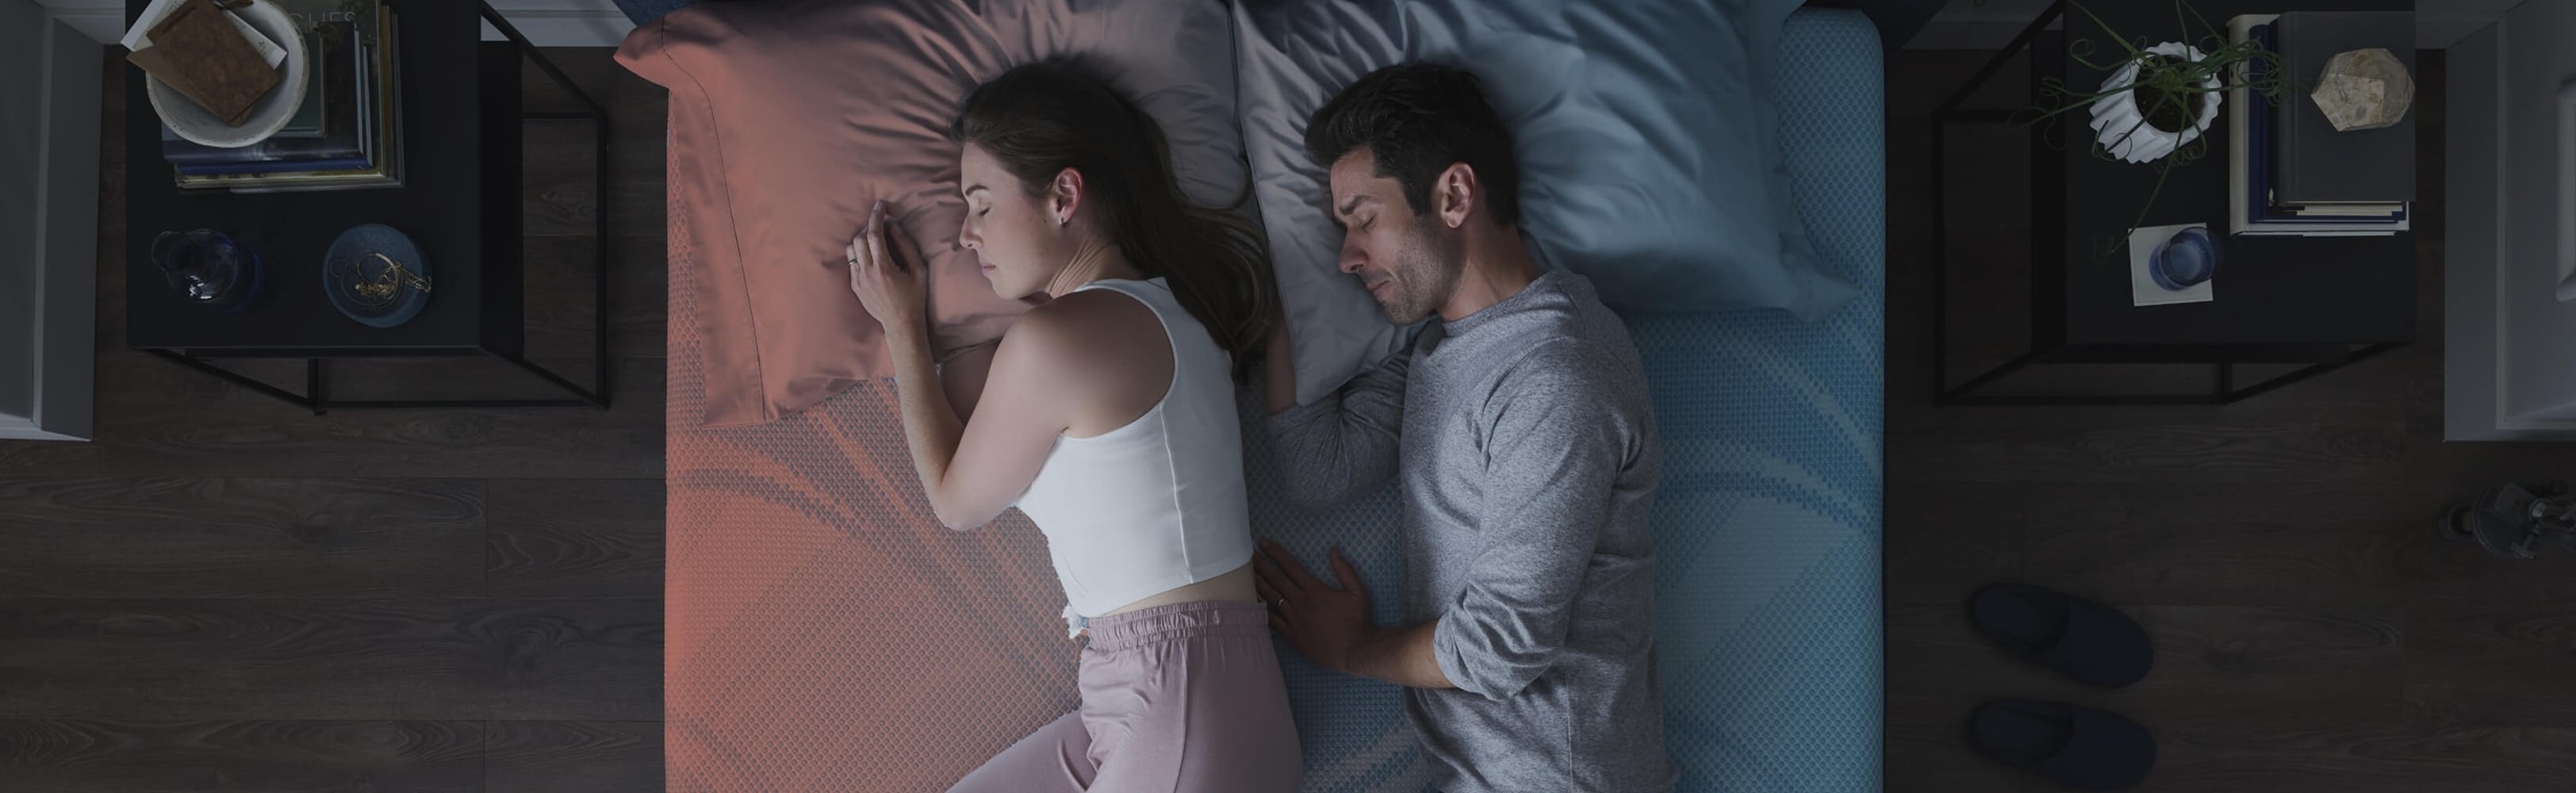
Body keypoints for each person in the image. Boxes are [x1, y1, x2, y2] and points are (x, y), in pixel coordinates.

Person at [845, 58, 1301, 793]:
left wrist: (903, 327)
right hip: (1173, 698)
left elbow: (957, 504)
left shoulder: (1060, 340)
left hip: (1178, 705)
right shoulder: (1170, 312)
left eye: (983, 205)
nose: (966, 235)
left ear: (1064, 195)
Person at [1251, 63, 1677, 793]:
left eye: (1364, 221)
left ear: (1452, 195)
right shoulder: (1444, 351)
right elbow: (1319, 469)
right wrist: (1281, 291)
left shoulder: (1555, 377)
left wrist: (1353, 650)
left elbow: (1499, 649)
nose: (1348, 258)